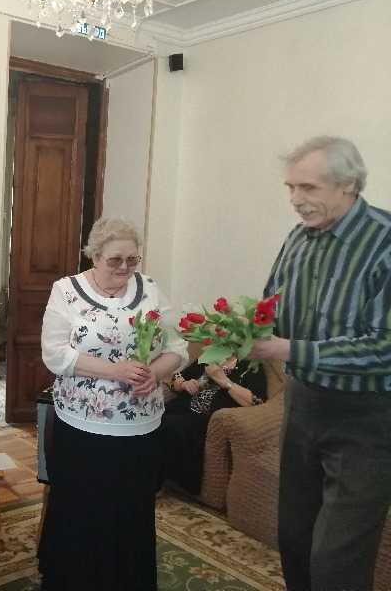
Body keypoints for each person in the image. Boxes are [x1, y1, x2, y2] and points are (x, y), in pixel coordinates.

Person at [250, 136, 391, 591]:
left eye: (308, 187)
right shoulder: (298, 238)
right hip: (303, 405)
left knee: (337, 561)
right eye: (291, 187)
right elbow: (270, 305)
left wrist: (287, 350)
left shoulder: (385, 242)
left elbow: (385, 346)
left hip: (366, 418)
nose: (295, 199)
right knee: (294, 540)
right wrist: (239, 329)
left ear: (348, 184)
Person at [39, 217, 186, 591]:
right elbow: (55, 355)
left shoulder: (150, 289)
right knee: (82, 510)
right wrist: (115, 370)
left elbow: (178, 347)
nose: (124, 267)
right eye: (115, 260)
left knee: (131, 512)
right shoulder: (66, 291)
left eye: (132, 259)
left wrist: (156, 373)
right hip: (82, 428)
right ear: (95, 256)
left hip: (140, 429)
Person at [161, 355, 266, 495]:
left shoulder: (252, 365)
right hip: (183, 406)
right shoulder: (210, 355)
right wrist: (184, 384)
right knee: (154, 420)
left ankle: (153, 481)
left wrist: (223, 380)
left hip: (207, 418)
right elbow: (176, 378)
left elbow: (255, 402)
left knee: (170, 426)